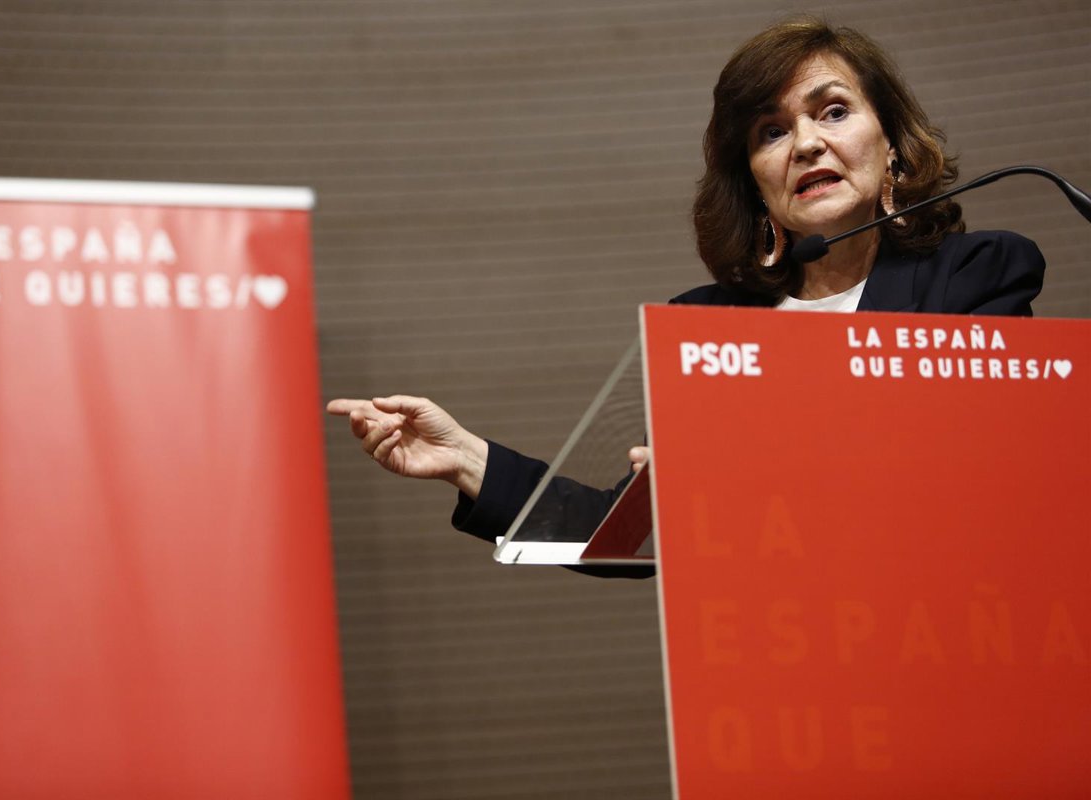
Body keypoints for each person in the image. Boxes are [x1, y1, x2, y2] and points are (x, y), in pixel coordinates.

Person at [327, 17, 1045, 553]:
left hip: (952, 637)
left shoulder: (977, 275)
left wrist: (747, 478)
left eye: (833, 111)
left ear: (890, 144)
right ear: (755, 184)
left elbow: (987, 478)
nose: (805, 143)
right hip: (777, 664)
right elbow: (629, 535)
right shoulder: (710, 327)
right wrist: (467, 459)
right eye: (771, 131)